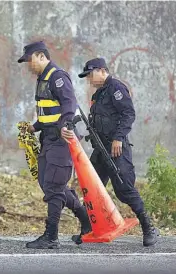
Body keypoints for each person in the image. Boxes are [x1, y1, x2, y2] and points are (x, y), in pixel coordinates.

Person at [70, 57, 158, 247]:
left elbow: (128, 113)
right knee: (91, 188)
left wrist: (118, 138)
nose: (89, 79)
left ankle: (148, 227)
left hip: (116, 148)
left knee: (124, 189)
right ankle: (88, 229)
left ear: (102, 70)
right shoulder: (99, 94)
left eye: (90, 74)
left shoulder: (116, 88)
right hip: (100, 150)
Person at [17, 41, 91, 249]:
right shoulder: (42, 79)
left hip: (62, 138)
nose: (28, 65)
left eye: (30, 60)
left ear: (41, 56)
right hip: (48, 138)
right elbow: (49, 112)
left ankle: (51, 236)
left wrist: (67, 124)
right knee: (47, 182)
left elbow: (69, 104)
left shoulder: (57, 77)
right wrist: (34, 127)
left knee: (54, 186)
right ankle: (86, 220)